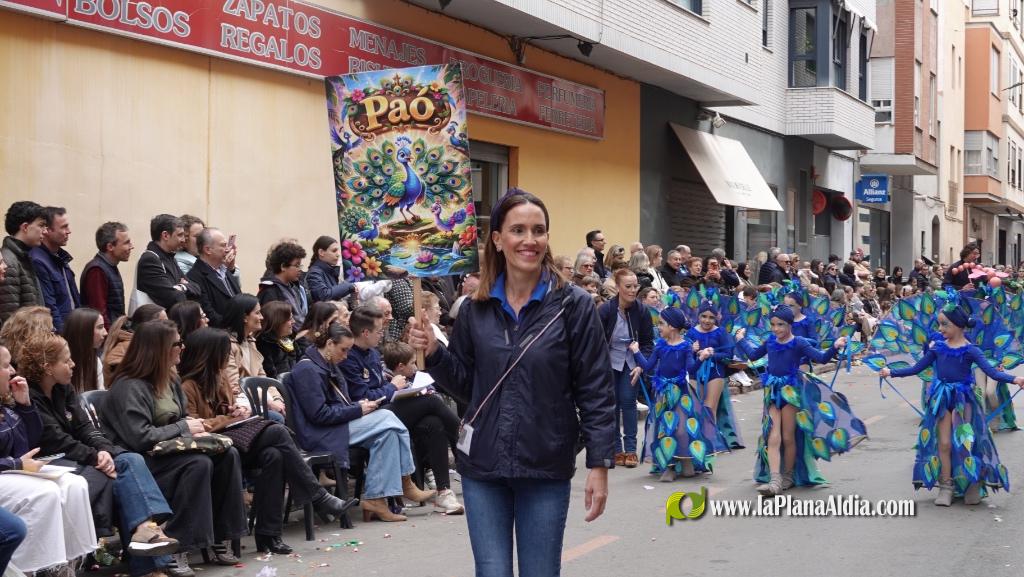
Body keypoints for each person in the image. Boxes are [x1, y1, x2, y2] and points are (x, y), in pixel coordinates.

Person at [408, 188, 616, 577]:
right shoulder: (474, 309)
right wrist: (435, 355)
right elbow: (471, 388)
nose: (529, 240)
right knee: (492, 572)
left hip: (546, 461)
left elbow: (596, 390)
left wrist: (599, 463)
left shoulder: (574, 306)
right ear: (498, 239)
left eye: (539, 230)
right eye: (518, 230)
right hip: (483, 463)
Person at [179, 327, 357, 554]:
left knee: (274, 455)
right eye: (224, 354)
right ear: (210, 354)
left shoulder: (220, 379)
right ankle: (318, 496)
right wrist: (226, 417)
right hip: (215, 447)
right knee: (277, 432)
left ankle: (269, 535)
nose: (228, 358)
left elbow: (223, 407)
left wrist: (234, 410)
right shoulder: (187, 386)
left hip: (233, 439)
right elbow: (194, 425)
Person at [23, 333, 180, 576]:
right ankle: (149, 564)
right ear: (47, 368)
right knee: (121, 482)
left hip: (79, 456)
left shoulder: (65, 389)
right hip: (51, 463)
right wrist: (95, 457)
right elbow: (53, 439)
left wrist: (106, 451)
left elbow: (86, 428)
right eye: (66, 361)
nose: (73, 364)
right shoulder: (30, 398)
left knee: (130, 459)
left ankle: (146, 529)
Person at [102, 319, 247, 574]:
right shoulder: (129, 386)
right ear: (159, 349)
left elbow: (179, 418)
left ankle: (221, 537)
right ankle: (178, 545)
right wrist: (184, 428)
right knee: (198, 464)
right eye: (177, 343)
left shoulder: (169, 379)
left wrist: (192, 423)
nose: (183, 348)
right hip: (140, 462)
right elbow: (139, 437)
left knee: (229, 454)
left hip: (170, 451)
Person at [880, 300, 1024, 506]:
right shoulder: (937, 348)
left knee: (965, 443)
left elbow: (992, 372)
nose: (940, 329)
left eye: (944, 324)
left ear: (957, 325)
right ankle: (946, 486)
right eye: (939, 324)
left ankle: (972, 484)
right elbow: (916, 368)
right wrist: (890, 372)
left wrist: (1016, 379)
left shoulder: (971, 350)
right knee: (945, 443)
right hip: (942, 399)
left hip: (963, 400)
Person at [289, 322, 422, 522]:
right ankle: (406, 479)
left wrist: (358, 406)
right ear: (329, 344)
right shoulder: (307, 369)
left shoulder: (326, 364)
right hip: (320, 433)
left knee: (389, 434)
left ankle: (376, 500)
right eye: (343, 350)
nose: (346, 355)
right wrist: (357, 409)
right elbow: (319, 415)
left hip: (336, 426)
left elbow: (340, 402)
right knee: (388, 418)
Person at [735, 307, 861, 495]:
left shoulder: (799, 343)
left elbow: (821, 358)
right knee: (772, 435)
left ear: (790, 324)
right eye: (773, 325)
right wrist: (740, 340)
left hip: (791, 393)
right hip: (772, 392)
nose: (776, 329)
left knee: (788, 436)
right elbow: (753, 355)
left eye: (781, 325)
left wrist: (835, 345)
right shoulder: (770, 341)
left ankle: (788, 475)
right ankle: (775, 480)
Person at [0, 343, 97, 575]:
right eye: (5, 365)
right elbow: (18, 457)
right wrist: (17, 464)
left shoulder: (6, 403)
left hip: (15, 470)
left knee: (75, 484)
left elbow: (30, 442)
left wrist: (24, 405)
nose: (13, 370)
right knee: (45, 494)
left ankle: (67, 564)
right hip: (7, 470)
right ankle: (33, 568)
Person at [629, 307, 726, 481]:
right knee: (665, 429)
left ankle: (687, 462)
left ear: (672, 326)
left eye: (661, 324)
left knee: (682, 429)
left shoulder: (685, 347)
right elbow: (649, 366)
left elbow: (690, 368)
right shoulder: (660, 345)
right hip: (663, 394)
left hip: (681, 394)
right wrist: (636, 352)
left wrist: (701, 358)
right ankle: (670, 467)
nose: (658, 327)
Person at [380, 341, 464, 514]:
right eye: (412, 363)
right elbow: (374, 396)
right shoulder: (383, 374)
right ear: (400, 366)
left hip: (407, 418)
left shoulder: (410, 377)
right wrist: (393, 388)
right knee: (432, 402)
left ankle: (444, 491)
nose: (416, 367)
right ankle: (466, 435)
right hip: (383, 416)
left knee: (435, 423)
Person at [597, 268, 652, 468]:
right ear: (618, 287)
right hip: (609, 363)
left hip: (631, 363)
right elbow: (596, 340)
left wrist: (641, 365)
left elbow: (647, 343)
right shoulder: (605, 310)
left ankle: (630, 450)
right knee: (611, 405)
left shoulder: (642, 310)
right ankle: (615, 449)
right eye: (628, 286)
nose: (632, 290)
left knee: (628, 403)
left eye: (635, 286)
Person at [687, 299, 744, 450]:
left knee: (709, 407)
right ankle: (697, 441)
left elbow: (728, 353)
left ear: (716, 318)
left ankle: (709, 443)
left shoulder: (720, 332)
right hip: (695, 373)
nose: (707, 320)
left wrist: (712, 354)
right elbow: (684, 355)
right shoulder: (691, 332)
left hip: (715, 372)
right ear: (698, 316)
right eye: (704, 316)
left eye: (711, 317)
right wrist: (692, 350)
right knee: (696, 407)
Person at [218, 294, 285, 417]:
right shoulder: (226, 344)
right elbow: (234, 387)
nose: (262, 317)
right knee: (276, 417)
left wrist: (277, 399)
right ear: (244, 317)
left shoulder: (250, 341)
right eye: (258, 313)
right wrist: (269, 401)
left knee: (287, 407)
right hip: (237, 404)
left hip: (257, 398)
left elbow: (262, 377)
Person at [30, 206, 80, 331]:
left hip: (74, 330)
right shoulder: (38, 260)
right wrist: (62, 337)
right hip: (61, 336)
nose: (69, 231)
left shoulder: (61, 258)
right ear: (46, 230)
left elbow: (73, 297)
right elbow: (49, 306)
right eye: (64, 227)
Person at [136, 215, 200, 311]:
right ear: (165, 235)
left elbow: (197, 288)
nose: (183, 240)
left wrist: (181, 287)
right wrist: (185, 288)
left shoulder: (170, 257)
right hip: (156, 324)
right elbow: (173, 298)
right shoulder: (150, 260)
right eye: (180, 235)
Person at [81, 222, 134, 329]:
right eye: (126, 243)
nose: (131, 246)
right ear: (110, 246)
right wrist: (110, 340)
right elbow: (99, 313)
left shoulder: (110, 267)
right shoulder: (97, 270)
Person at [0, 201, 46, 323]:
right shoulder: (9, 262)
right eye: (41, 225)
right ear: (25, 227)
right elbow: (10, 320)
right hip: (20, 340)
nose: (45, 231)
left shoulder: (23, 257)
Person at [187, 228, 240, 328]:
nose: (228, 249)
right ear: (208, 250)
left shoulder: (225, 269)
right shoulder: (194, 277)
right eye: (223, 245)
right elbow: (209, 314)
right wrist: (233, 327)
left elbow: (239, 298)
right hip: (220, 336)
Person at [102, 304, 167, 386]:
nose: (169, 327)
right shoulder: (123, 349)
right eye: (164, 323)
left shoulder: (151, 345)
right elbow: (125, 385)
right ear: (149, 327)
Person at [258, 241, 309, 332]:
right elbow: (273, 327)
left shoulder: (291, 286)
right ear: (283, 267)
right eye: (297, 265)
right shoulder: (270, 291)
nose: (300, 270)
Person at [62, 307, 108, 392]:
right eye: (100, 327)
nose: (105, 332)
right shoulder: (60, 365)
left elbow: (99, 396)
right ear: (84, 330)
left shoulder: (95, 361)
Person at [305, 236, 355, 304]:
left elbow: (335, 300)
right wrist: (348, 285)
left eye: (338, 251)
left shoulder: (329, 270)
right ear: (321, 252)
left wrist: (352, 297)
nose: (338, 255)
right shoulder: (314, 273)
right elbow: (323, 297)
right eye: (334, 251)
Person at [255, 301, 298, 378]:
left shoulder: (288, 339)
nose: (293, 322)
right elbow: (271, 377)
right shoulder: (263, 345)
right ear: (277, 321)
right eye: (289, 319)